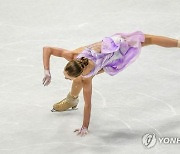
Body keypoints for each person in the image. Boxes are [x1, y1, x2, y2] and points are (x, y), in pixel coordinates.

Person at [42, 31, 180, 136]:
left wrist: (85, 127)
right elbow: (47, 49)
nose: (66, 79)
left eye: (67, 77)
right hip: (103, 56)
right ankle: (71, 100)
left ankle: (71, 100)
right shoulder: (73, 57)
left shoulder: (86, 78)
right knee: (148, 38)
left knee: (148, 39)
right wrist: (46, 71)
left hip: (120, 48)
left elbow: (88, 104)